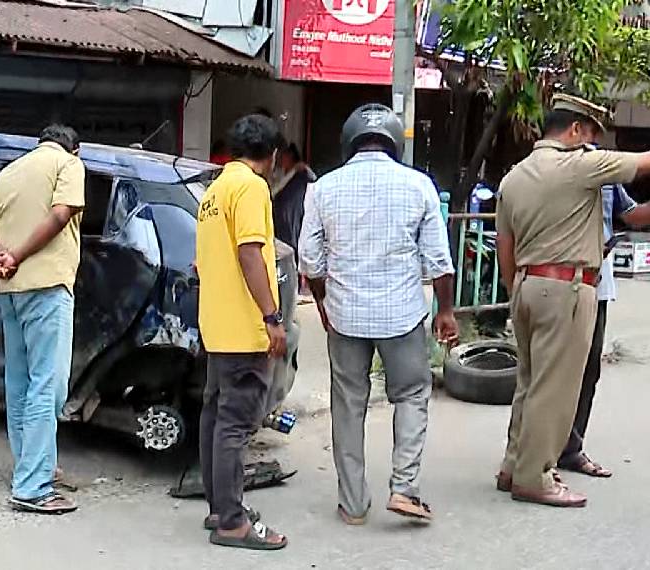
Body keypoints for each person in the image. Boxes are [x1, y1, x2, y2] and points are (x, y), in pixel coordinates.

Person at [299, 103, 458, 524]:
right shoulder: (418, 184)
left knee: (348, 405)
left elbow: (310, 261)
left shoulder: (324, 188)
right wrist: (446, 312)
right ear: (392, 140)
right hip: (401, 315)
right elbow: (439, 261)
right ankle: (404, 489)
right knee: (410, 396)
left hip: (345, 316)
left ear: (349, 140)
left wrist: (321, 300)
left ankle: (352, 504)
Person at [495, 94, 650, 508]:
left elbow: (503, 243)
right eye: (591, 135)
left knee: (529, 385)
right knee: (556, 389)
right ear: (576, 129)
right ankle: (535, 477)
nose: (594, 145)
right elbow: (645, 162)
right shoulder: (580, 165)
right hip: (566, 288)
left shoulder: (514, 176)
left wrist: (516, 290)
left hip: (528, 285)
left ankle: (513, 465)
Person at [0, 124, 85, 514]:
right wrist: (18, 255)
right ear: (75, 149)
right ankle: (33, 487)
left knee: (20, 384)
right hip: (47, 286)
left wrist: (2, 257)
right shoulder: (68, 165)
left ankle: (28, 467)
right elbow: (60, 216)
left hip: (9, 292)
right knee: (48, 387)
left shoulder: (8, 173)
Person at [195, 114, 288, 551]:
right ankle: (233, 523)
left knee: (215, 419)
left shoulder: (213, 191)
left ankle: (220, 508)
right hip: (244, 329)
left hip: (216, 326)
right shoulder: (251, 188)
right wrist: (272, 316)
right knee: (234, 425)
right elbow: (250, 253)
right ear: (271, 156)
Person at [557, 147, 650, 479]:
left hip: (599, 282)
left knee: (588, 369)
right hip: (558, 280)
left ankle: (570, 447)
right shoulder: (555, 171)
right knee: (551, 370)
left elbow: (633, 215)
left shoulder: (608, 179)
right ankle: (534, 451)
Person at [271, 142, 315, 256]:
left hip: (292, 226)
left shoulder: (301, 178)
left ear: (290, 157)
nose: (280, 160)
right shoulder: (281, 174)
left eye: (283, 156)